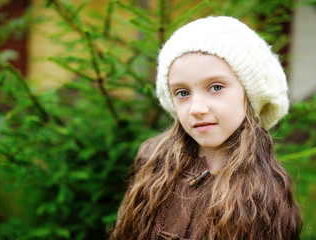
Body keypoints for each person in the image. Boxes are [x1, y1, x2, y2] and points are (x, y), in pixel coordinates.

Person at [109, 16, 302, 240]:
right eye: (182, 93)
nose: (196, 109)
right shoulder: (153, 163)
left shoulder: (265, 190)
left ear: (249, 95)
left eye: (216, 87)